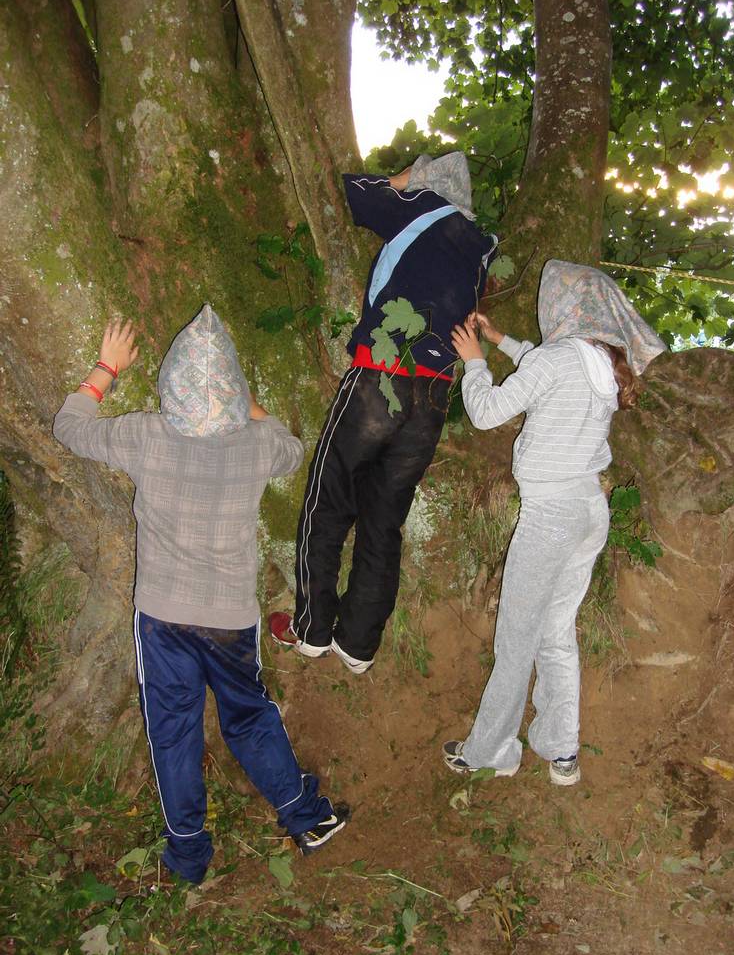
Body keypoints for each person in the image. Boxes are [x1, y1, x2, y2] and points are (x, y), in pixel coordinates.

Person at [53, 305, 347, 884]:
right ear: (234, 390)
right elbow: (290, 445)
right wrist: (248, 406)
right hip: (231, 620)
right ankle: (305, 817)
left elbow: (70, 427)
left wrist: (105, 370)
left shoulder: (144, 435)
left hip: (162, 618)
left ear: (169, 385)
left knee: (173, 729)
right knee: (250, 716)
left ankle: (188, 854)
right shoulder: (258, 446)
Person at [269, 152, 497, 673]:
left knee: (328, 502)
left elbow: (349, 192)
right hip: (432, 396)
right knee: (383, 521)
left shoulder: (422, 208)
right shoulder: (480, 248)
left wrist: (404, 181)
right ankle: (357, 644)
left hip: (381, 378)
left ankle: (311, 629)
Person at [442, 260, 666, 785]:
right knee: (556, 630)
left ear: (564, 308)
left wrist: (475, 361)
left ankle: (491, 750)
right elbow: (543, 366)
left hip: (550, 519)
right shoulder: (602, 364)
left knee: (516, 639)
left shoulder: (557, 360)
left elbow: (486, 412)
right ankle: (561, 748)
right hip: (590, 512)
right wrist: (500, 339)